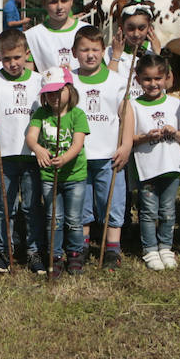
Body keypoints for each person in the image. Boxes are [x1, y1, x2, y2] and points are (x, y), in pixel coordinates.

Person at [0, 29, 41, 274]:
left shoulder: (37, 80)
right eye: (6, 59)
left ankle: (34, 249)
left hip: (31, 153)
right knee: (6, 206)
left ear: (26, 54)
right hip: (4, 153)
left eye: (17, 57)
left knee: (32, 205)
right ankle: (5, 249)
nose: (13, 63)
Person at [71, 25, 129, 268]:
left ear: (103, 51)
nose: (90, 54)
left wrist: (126, 145)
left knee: (111, 201)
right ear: (74, 52)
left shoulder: (116, 81)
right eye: (84, 50)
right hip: (79, 155)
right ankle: (82, 245)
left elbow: (126, 113)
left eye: (95, 49)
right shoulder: (69, 79)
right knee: (81, 202)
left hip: (109, 155)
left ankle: (112, 249)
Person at [120, 54, 180, 271]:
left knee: (168, 211)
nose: (153, 84)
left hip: (171, 167)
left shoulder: (176, 103)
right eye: (147, 79)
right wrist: (147, 136)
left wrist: (173, 133)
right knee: (148, 212)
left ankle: (166, 246)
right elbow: (129, 139)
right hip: (146, 168)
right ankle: (150, 249)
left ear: (166, 78)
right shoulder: (133, 105)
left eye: (158, 78)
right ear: (138, 79)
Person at [27, 68, 89, 277]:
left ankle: (74, 253)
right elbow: (31, 138)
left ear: (69, 90)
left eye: (58, 91)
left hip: (74, 175)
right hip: (49, 177)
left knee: (73, 218)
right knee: (55, 218)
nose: (53, 97)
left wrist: (64, 158)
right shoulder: (41, 114)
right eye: (49, 93)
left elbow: (77, 143)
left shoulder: (77, 115)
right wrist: (38, 149)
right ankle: (55, 256)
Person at [24, 0, 81, 71]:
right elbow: (28, 76)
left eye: (64, 1)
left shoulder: (86, 30)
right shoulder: (32, 36)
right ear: (44, 3)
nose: (59, 7)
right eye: (53, 2)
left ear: (72, 0)